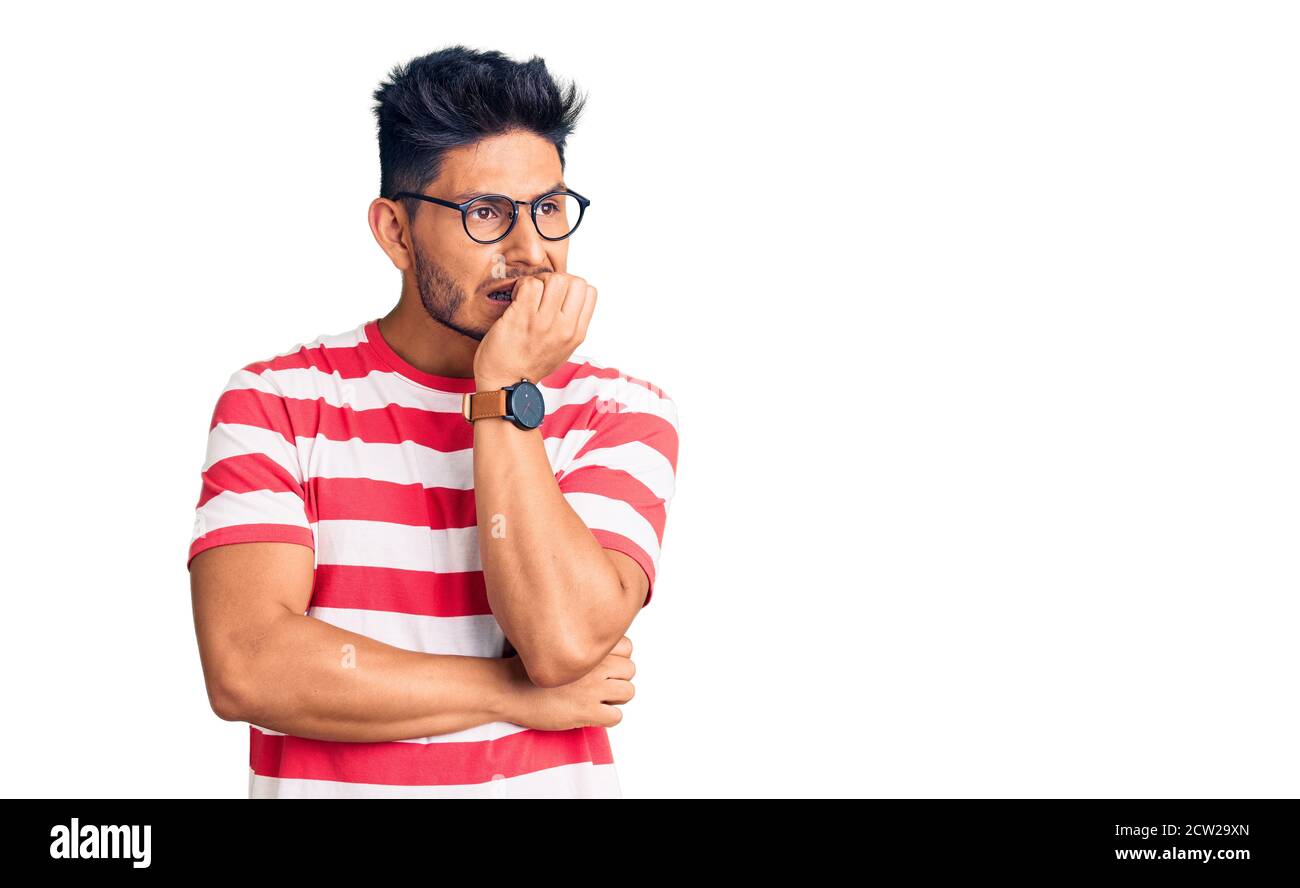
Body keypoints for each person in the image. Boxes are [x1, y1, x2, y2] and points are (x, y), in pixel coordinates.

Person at [187, 45, 680, 798]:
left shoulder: (622, 410)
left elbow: (560, 644)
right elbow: (250, 664)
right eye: (486, 213)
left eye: (548, 208)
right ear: (395, 232)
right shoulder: (277, 400)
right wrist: (505, 694)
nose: (532, 251)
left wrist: (505, 391)